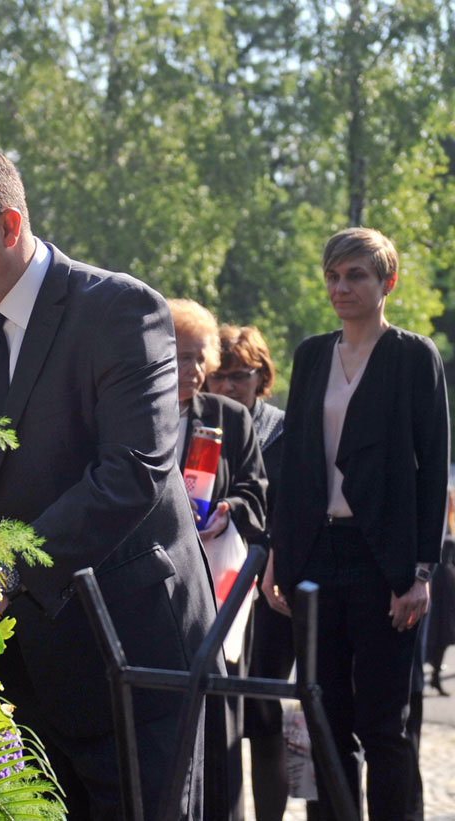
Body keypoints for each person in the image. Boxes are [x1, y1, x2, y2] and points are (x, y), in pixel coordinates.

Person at [0, 137, 219, 820]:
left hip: (132, 661)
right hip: (28, 680)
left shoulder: (120, 309)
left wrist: (3, 568)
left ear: (9, 225)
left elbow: (132, 472)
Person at [263, 227, 448, 821]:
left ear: (387, 281)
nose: (341, 287)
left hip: (383, 558)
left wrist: (420, 571)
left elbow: (431, 470)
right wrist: (279, 552)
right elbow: (294, 465)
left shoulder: (413, 356)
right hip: (314, 553)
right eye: (333, 276)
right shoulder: (311, 354)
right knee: (320, 717)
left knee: (384, 724)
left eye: (356, 275)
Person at [169, 300, 268, 821]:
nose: (192, 370)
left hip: (217, 584)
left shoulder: (229, 417)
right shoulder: (137, 409)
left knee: (220, 709)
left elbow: (256, 490)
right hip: (156, 585)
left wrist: (230, 510)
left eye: (198, 357)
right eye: (180, 357)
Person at [206, 325, 299, 821]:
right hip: (210, 581)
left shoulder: (286, 431)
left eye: (238, 376)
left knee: (262, 712)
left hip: (267, 583)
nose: (226, 387)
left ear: (262, 377)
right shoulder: (199, 426)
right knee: (214, 710)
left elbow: (298, 508)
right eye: (217, 376)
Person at [425, 486, 455, 694]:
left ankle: (435, 672)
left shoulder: (451, 524)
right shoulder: (437, 523)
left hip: (448, 587)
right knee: (435, 630)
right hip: (437, 583)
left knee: (445, 632)